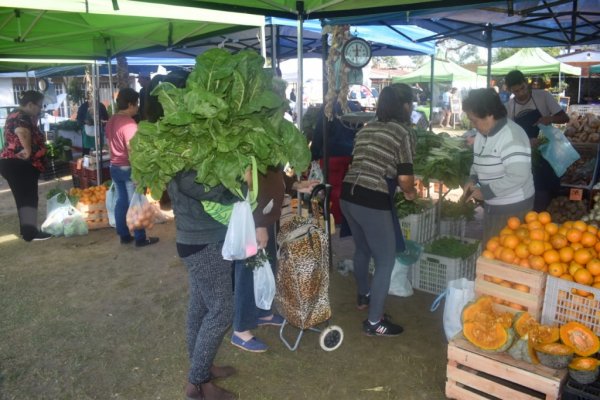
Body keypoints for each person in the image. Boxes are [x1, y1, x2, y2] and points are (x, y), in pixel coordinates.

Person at [340, 84, 417, 337]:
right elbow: (405, 177)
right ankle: (374, 323)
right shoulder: (403, 131)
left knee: (362, 248)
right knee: (385, 259)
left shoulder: (368, 127)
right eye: (411, 103)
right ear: (405, 106)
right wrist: (410, 192)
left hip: (348, 193)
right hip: (372, 197)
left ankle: (364, 296)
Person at [168, 168, 243, 400]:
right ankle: (197, 383)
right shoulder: (181, 152)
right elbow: (197, 185)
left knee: (200, 308)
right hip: (202, 242)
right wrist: (242, 184)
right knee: (222, 311)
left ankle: (203, 366)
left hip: (199, 237)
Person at [231, 167, 318, 352]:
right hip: (253, 219)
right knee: (247, 270)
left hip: (266, 217)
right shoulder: (252, 142)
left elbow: (273, 174)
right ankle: (240, 329)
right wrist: (259, 224)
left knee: (267, 264)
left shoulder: (271, 142)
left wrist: (295, 184)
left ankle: (262, 312)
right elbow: (249, 184)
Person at [462, 88, 534, 243]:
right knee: (491, 247)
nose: (473, 125)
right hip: (493, 205)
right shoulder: (483, 134)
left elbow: (518, 176)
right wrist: (472, 180)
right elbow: (478, 163)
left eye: (474, 120)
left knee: (501, 254)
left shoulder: (512, 136)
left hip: (513, 208)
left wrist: (486, 192)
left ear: (489, 114)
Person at [505, 70, 569, 211]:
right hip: (524, 155)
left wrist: (550, 118)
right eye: (516, 91)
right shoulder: (509, 107)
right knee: (530, 189)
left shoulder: (543, 96)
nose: (521, 93)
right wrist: (526, 141)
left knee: (548, 188)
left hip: (547, 152)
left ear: (526, 83)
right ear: (510, 90)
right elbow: (508, 134)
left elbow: (565, 118)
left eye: (522, 88)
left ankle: (545, 216)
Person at [106, 88, 158, 247]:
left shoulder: (112, 120)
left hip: (114, 166)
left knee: (122, 201)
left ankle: (124, 235)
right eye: (136, 104)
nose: (137, 107)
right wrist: (137, 172)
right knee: (134, 203)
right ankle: (140, 238)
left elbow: (108, 145)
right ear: (130, 104)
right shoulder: (129, 123)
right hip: (128, 168)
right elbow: (131, 149)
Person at [0, 90, 51, 241]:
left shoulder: (14, 114)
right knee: (28, 197)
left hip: (12, 163)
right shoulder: (22, 116)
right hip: (20, 164)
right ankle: (30, 233)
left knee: (23, 198)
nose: (40, 109)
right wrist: (28, 150)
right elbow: (22, 131)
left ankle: (27, 230)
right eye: (39, 106)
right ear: (30, 104)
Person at [310, 99, 362, 225]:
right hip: (350, 154)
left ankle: (334, 221)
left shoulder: (328, 107)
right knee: (347, 189)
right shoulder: (353, 107)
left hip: (331, 154)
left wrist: (314, 154)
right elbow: (359, 129)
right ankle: (345, 220)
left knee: (332, 189)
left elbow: (319, 132)